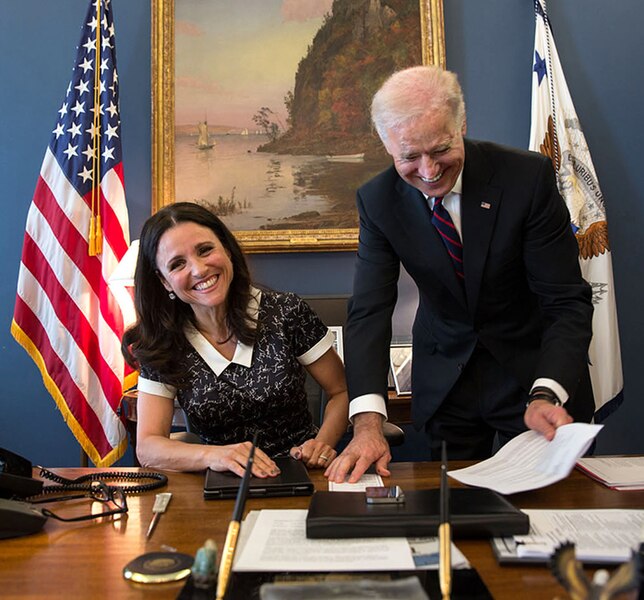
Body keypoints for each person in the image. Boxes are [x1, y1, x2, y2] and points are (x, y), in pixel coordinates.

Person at [325, 65, 594, 483]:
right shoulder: (377, 201)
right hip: (446, 377)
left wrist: (547, 391)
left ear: (461, 124)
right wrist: (367, 423)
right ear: (387, 146)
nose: (429, 171)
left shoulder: (526, 178)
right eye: (410, 157)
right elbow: (368, 312)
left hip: (532, 368)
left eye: (440, 149)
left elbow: (564, 300)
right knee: (448, 505)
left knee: (546, 509)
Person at [122, 202, 348, 478]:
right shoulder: (164, 341)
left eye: (205, 250)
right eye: (177, 264)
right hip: (220, 482)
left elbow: (341, 391)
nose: (199, 269)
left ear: (226, 249)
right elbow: (148, 448)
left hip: (301, 472)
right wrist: (216, 454)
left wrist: (322, 444)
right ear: (165, 282)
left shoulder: (286, 312)